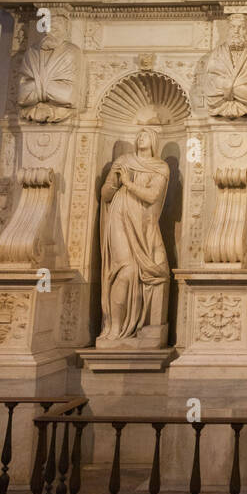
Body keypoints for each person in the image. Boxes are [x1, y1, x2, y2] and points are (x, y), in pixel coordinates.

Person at [97, 109, 170, 346]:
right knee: (125, 270)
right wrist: (115, 181)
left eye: (146, 135)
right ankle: (115, 326)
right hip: (118, 219)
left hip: (144, 225)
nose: (141, 137)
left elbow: (152, 196)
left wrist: (127, 182)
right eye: (139, 134)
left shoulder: (160, 167)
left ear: (154, 142)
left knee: (149, 271)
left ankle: (136, 326)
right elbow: (105, 194)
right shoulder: (123, 162)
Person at [201, 13, 247, 118]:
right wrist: (241, 88)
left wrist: (225, 87)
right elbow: (211, 94)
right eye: (232, 27)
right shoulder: (215, 55)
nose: (236, 31)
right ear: (228, 29)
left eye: (241, 27)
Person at [17, 13, 79, 122]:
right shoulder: (31, 52)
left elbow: (68, 96)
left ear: (65, 31)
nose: (47, 32)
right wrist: (51, 88)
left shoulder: (71, 51)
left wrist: (36, 86)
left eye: (54, 29)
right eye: (45, 28)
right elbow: (22, 95)